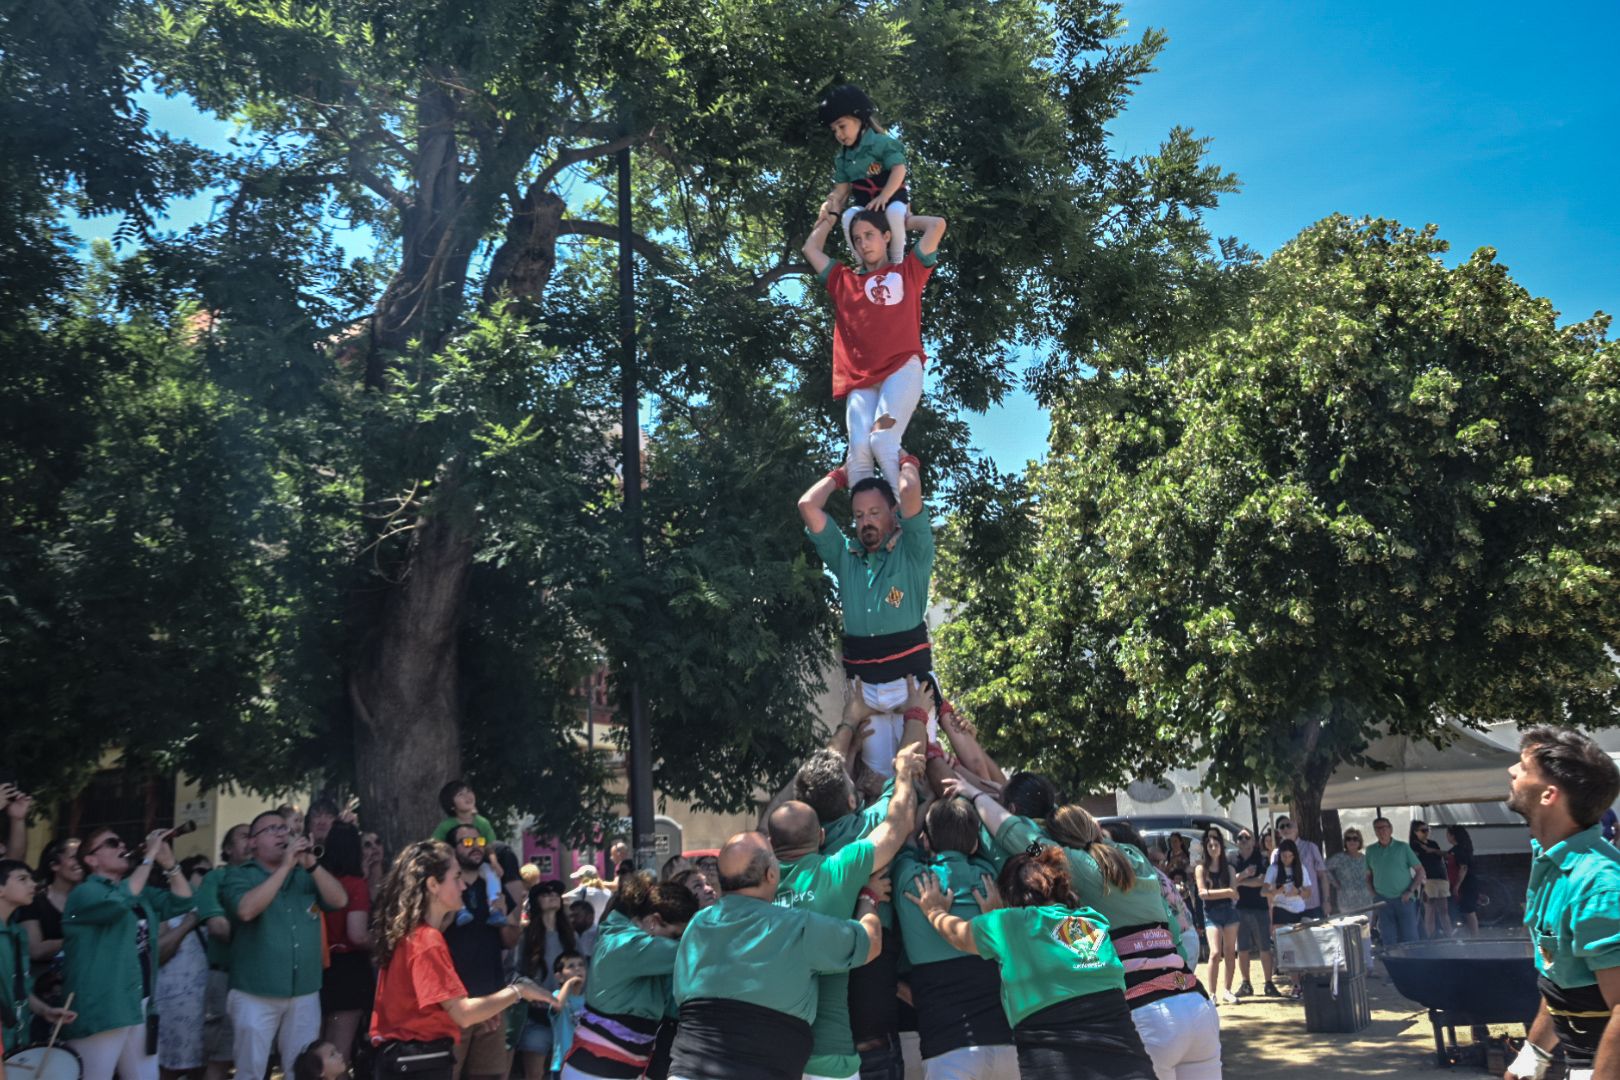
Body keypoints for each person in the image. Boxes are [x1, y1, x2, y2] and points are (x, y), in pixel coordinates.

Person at [959, 784, 1216, 1080]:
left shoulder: (1074, 865)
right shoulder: (1132, 857)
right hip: (1194, 1001)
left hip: (1147, 1007)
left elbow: (1024, 842)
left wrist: (973, 793)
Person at [907, 843, 1157, 1080]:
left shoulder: (1007, 924)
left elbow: (958, 935)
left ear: (1009, 896)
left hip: (1055, 1068)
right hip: (1132, 1066)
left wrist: (934, 911)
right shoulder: (1092, 920)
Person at [666, 832, 881, 1079]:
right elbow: (871, 943)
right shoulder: (797, 927)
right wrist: (868, 898)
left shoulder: (697, 925)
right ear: (771, 875)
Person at [767, 740, 921, 1080]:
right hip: (839, 1056)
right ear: (820, 836)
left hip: (771, 1053)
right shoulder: (837, 871)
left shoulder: (757, 890)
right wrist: (904, 772)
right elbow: (898, 825)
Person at [797, 441, 942, 781]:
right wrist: (842, 475)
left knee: (919, 777)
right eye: (859, 516)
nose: (866, 522)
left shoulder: (913, 551)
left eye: (875, 513)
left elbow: (908, 489)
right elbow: (808, 505)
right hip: (867, 691)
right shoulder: (846, 557)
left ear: (894, 514)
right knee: (876, 779)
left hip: (912, 686)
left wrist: (903, 458)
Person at [368, 840, 554, 1080]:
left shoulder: (411, 935)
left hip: (405, 1061)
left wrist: (483, 1011)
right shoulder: (426, 940)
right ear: (433, 885)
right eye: (456, 877)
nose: (464, 885)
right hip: (417, 1064)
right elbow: (463, 1013)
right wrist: (519, 991)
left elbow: (420, 1007)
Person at [1502, 726, 1620, 1080]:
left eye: (1523, 768)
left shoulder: (1599, 885)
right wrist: (1532, 1058)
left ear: (1549, 795)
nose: (1512, 772)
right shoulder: (1551, 862)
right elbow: (1561, 978)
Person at [220, 809, 350, 1080]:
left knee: (303, 1071)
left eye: (285, 829)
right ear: (252, 842)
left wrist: (312, 864)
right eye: (272, 829)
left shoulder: (306, 874)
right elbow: (246, 910)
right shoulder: (238, 875)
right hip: (255, 993)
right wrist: (284, 868)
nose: (283, 833)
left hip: (304, 990)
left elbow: (339, 900)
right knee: (251, 1071)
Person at [892, 797, 1016, 1079]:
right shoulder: (993, 877)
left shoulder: (910, 878)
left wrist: (919, 797)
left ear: (926, 840)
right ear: (974, 844)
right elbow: (1001, 844)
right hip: (1009, 1046)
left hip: (947, 1053)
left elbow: (902, 835)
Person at [62, 825, 195, 1080]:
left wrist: (168, 862)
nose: (122, 847)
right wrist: (147, 858)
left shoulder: (139, 892)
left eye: (122, 843)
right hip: (103, 1005)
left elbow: (183, 901)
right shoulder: (83, 892)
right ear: (91, 859)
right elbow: (118, 902)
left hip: (140, 1000)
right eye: (112, 843)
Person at [560, 872, 697, 1079]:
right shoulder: (625, 945)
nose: (676, 942)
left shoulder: (627, 942)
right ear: (653, 921)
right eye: (675, 936)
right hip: (594, 1073)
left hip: (613, 1071)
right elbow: (694, 952)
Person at [441, 824, 521, 1080]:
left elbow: (510, 941)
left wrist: (505, 917)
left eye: (479, 841)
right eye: (466, 842)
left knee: (489, 1075)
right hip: (453, 1003)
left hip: (491, 999)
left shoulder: (494, 885)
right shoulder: (443, 889)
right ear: (452, 850)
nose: (475, 846)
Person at [815, 84, 910, 269]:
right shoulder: (842, 158)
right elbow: (841, 192)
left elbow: (899, 170)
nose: (839, 134)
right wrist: (827, 205)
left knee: (895, 213)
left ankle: (897, 263)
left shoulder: (882, 143)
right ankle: (863, 265)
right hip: (866, 205)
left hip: (892, 198)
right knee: (848, 216)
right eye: (834, 130)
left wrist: (885, 196)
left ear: (860, 120)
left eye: (842, 126)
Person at [1, 858, 78, 1054]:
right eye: (22, 879)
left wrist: (45, 1011)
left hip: (16, 1039)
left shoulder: (18, 934)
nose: (33, 885)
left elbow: (20, 989)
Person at [192, 823, 250, 1080]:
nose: (252, 841)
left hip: (261, 981)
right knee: (219, 1057)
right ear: (228, 849)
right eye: (244, 836)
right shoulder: (215, 878)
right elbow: (217, 926)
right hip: (225, 977)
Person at [318, 822, 373, 1062]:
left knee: (316, 1048)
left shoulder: (317, 880)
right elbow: (357, 934)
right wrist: (384, 942)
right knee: (339, 1051)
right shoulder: (354, 884)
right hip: (348, 969)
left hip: (318, 964)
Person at [155, 856, 212, 1078]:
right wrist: (188, 924)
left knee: (202, 1066)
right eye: (202, 871)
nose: (208, 877)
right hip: (173, 1005)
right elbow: (157, 953)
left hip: (206, 1003)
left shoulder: (213, 907)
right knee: (169, 1068)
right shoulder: (167, 909)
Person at [515, 880, 576, 1073]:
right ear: (535, 902)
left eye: (556, 893)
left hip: (567, 1016)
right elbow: (515, 972)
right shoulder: (526, 936)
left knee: (567, 1073)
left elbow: (583, 969)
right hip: (536, 1015)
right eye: (545, 894)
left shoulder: (570, 935)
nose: (552, 896)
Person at [431, 782, 504, 916]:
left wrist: (494, 862)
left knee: (491, 874)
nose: (467, 796)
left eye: (468, 791)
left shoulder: (482, 822)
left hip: (478, 864)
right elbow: (434, 845)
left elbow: (489, 846)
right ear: (451, 805)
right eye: (460, 794)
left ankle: (495, 908)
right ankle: (460, 910)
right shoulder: (446, 825)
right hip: (455, 864)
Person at [1228, 827, 1279, 998]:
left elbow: (1262, 881)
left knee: (1265, 947)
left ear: (1253, 841)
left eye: (1246, 837)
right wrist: (1242, 875)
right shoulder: (1232, 859)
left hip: (1260, 909)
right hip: (1240, 909)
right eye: (1240, 838)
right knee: (1242, 949)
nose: (1243, 840)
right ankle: (1246, 984)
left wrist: (1240, 881)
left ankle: (1269, 983)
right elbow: (1229, 882)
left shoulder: (1262, 858)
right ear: (1236, 841)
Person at [1195, 830, 1239, 1006]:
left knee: (1230, 951)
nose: (1213, 848)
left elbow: (1234, 894)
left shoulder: (1229, 869)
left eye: (1216, 845)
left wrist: (1222, 893)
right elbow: (1202, 894)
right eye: (1210, 846)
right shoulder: (1201, 869)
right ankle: (1212, 993)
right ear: (1206, 848)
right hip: (1211, 914)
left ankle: (1227, 990)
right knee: (1214, 953)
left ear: (1221, 847)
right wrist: (1226, 892)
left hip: (1229, 912)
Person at [1365, 816, 1425, 948]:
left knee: (1410, 938)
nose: (1381, 831)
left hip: (1404, 899)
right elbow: (1368, 876)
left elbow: (1420, 871)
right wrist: (1374, 895)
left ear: (1390, 829)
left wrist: (1410, 891)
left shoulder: (1403, 847)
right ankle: (1394, 965)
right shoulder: (1370, 851)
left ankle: (1415, 965)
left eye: (1384, 827)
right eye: (1377, 828)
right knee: (1388, 938)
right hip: (1383, 901)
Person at [1270, 818, 1327, 919]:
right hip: (1286, 908)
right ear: (1278, 832)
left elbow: (1322, 876)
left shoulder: (1310, 847)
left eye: (1289, 825)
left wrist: (1327, 901)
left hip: (1311, 906)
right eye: (1282, 827)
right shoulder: (1276, 853)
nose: (1285, 828)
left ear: (1296, 829)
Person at [549, 953, 588, 1078]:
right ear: (559, 977)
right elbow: (558, 1006)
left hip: (586, 1064)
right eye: (571, 966)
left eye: (581, 965)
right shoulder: (556, 996)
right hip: (562, 1064)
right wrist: (569, 983)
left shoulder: (589, 1000)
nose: (577, 969)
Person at [1263, 840, 1313, 936]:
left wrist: (1298, 892)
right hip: (1281, 910)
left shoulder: (1301, 868)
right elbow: (1263, 891)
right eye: (1284, 856)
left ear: (1294, 856)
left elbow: (1309, 892)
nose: (1287, 859)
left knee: (1300, 945)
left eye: (1290, 856)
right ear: (1279, 855)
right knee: (1285, 947)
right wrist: (1275, 892)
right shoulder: (1273, 869)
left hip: (1299, 911)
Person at [1410, 821, 1450, 938]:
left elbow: (1442, 858)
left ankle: (1449, 935)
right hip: (1427, 879)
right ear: (1415, 832)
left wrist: (1446, 877)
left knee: (1444, 909)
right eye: (1423, 830)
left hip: (1441, 877)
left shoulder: (1433, 843)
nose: (1427, 832)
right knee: (1430, 909)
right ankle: (1430, 936)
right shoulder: (1413, 846)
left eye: (1428, 830)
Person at [1324, 828, 1375, 917]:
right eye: (1348, 839)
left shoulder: (1366, 859)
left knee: (1366, 930)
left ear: (1360, 842)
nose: (1352, 841)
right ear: (1345, 842)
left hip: (1366, 902)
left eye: (1355, 839)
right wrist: (1334, 882)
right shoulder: (1338, 858)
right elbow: (1324, 869)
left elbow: (1372, 877)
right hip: (1346, 903)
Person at [1446, 825, 1480, 938]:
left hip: (1466, 884)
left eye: (1448, 834)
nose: (1446, 836)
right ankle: (1472, 935)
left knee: (1469, 910)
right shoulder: (1458, 849)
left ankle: (1475, 936)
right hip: (1465, 883)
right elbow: (1446, 854)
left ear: (1453, 836)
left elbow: (1463, 868)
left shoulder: (1460, 850)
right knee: (1466, 910)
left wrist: (1457, 886)